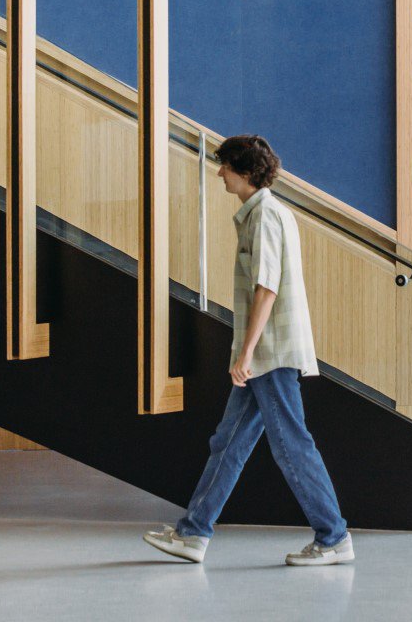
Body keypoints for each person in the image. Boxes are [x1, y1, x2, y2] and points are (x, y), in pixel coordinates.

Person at [143, 134, 354, 567]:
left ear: (243, 171)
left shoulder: (265, 217)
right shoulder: (264, 213)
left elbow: (266, 289)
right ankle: (193, 533)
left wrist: (246, 354)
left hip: (270, 355)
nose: (218, 172)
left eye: (224, 165)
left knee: (291, 445)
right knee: (229, 443)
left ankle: (333, 538)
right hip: (263, 354)